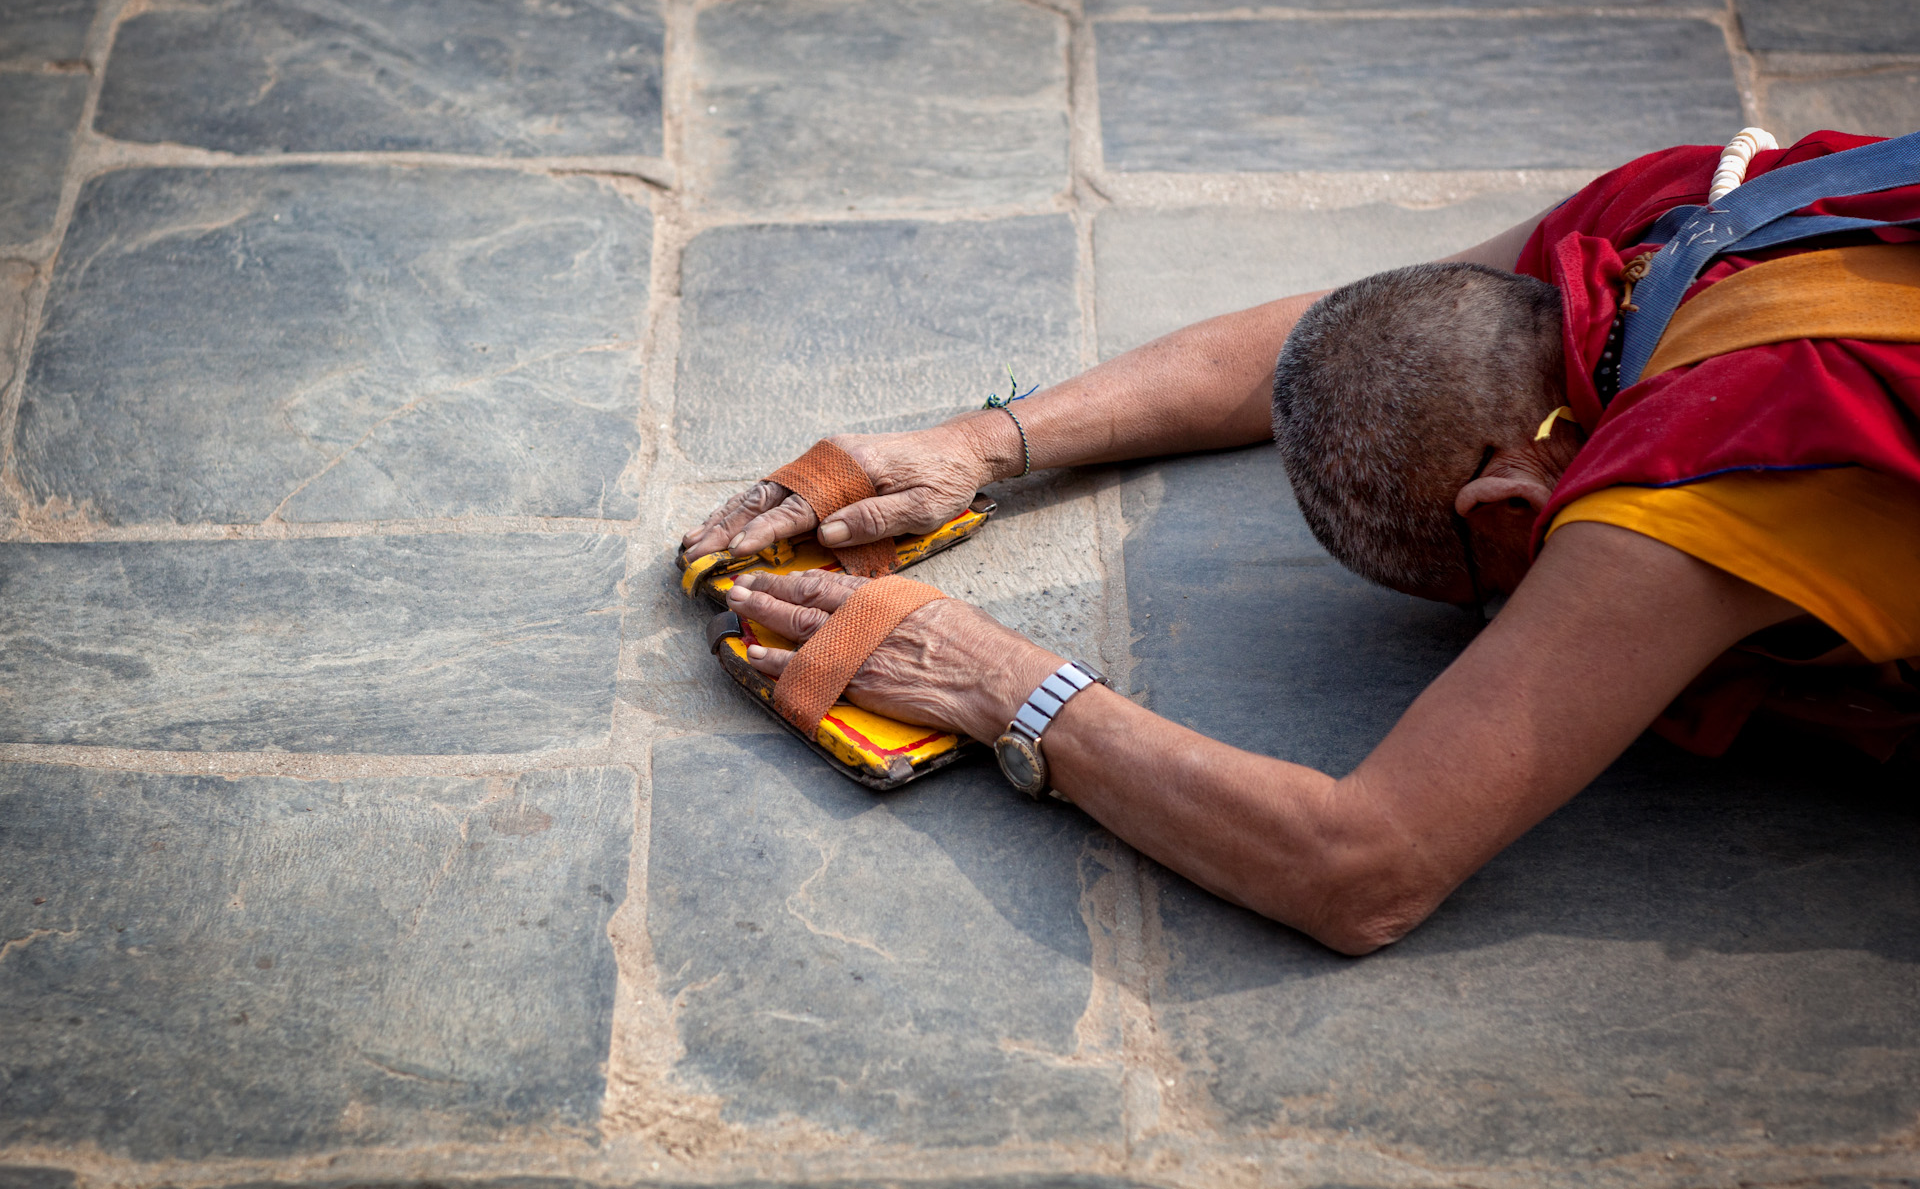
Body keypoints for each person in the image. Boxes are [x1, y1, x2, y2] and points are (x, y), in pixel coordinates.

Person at [680, 130, 1920, 955]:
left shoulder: (1709, 466)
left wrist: (1001, 681)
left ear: (1507, 513)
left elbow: (1361, 868)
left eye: (1479, 601)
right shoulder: (1687, 213)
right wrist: (981, 442)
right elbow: (1324, 332)